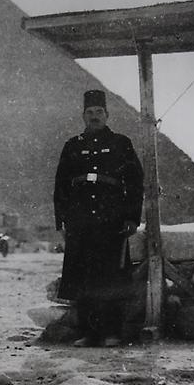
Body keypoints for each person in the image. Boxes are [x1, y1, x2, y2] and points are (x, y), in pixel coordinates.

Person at [54, 89, 144, 347]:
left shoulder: (121, 143)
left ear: (107, 115)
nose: (94, 116)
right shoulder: (72, 145)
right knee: (84, 278)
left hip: (111, 219)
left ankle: (112, 333)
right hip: (81, 220)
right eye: (90, 113)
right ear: (83, 115)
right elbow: (61, 185)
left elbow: (135, 183)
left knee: (111, 278)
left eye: (99, 112)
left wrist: (131, 218)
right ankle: (88, 333)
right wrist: (61, 220)